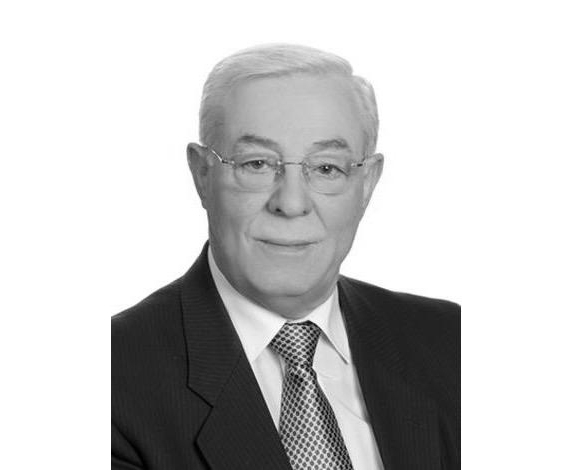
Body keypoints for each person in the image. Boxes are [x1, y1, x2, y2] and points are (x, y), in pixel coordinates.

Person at [112, 43, 460, 470]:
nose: (291, 203)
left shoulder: (453, 344)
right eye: (257, 164)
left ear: (367, 183)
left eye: (327, 168)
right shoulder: (113, 381)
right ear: (202, 174)